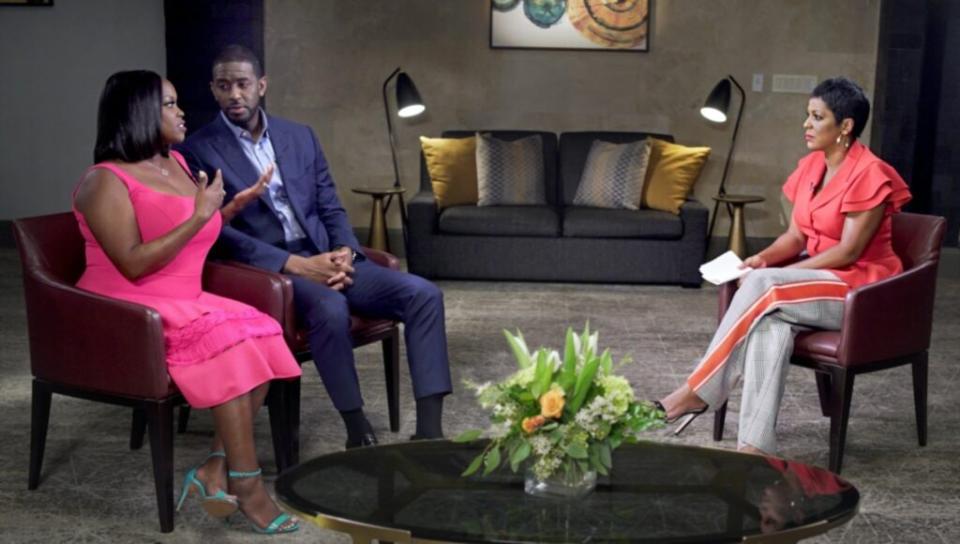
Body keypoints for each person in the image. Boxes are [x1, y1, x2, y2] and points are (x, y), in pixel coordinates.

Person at [180, 45, 452, 448]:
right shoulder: (197, 149)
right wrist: (293, 264)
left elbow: (330, 204)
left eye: (242, 84)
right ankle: (356, 429)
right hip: (268, 272)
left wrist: (344, 251)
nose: (234, 94)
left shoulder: (299, 136)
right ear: (213, 90)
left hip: (327, 256)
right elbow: (219, 232)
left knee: (423, 294)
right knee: (329, 307)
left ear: (261, 85)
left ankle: (430, 432)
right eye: (224, 86)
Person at [73, 70, 301, 534]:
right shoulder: (104, 181)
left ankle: (214, 470)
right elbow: (133, 264)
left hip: (182, 295)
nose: (182, 112)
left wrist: (226, 208)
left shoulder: (176, 162)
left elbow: (196, 225)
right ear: (138, 112)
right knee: (229, 340)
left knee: (263, 331)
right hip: (127, 306)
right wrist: (199, 214)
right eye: (170, 104)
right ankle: (248, 485)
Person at [656, 77, 912, 456]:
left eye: (816, 117)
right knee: (770, 328)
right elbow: (795, 238)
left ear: (845, 126)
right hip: (818, 283)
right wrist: (762, 258)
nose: (806, 125)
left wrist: (776, 274)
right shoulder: (811, 167)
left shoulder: (870, 173)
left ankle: (696, 390)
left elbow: (847, 253)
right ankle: (755, 449)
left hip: (861, 291)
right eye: (807, 115)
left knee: (765, 286)